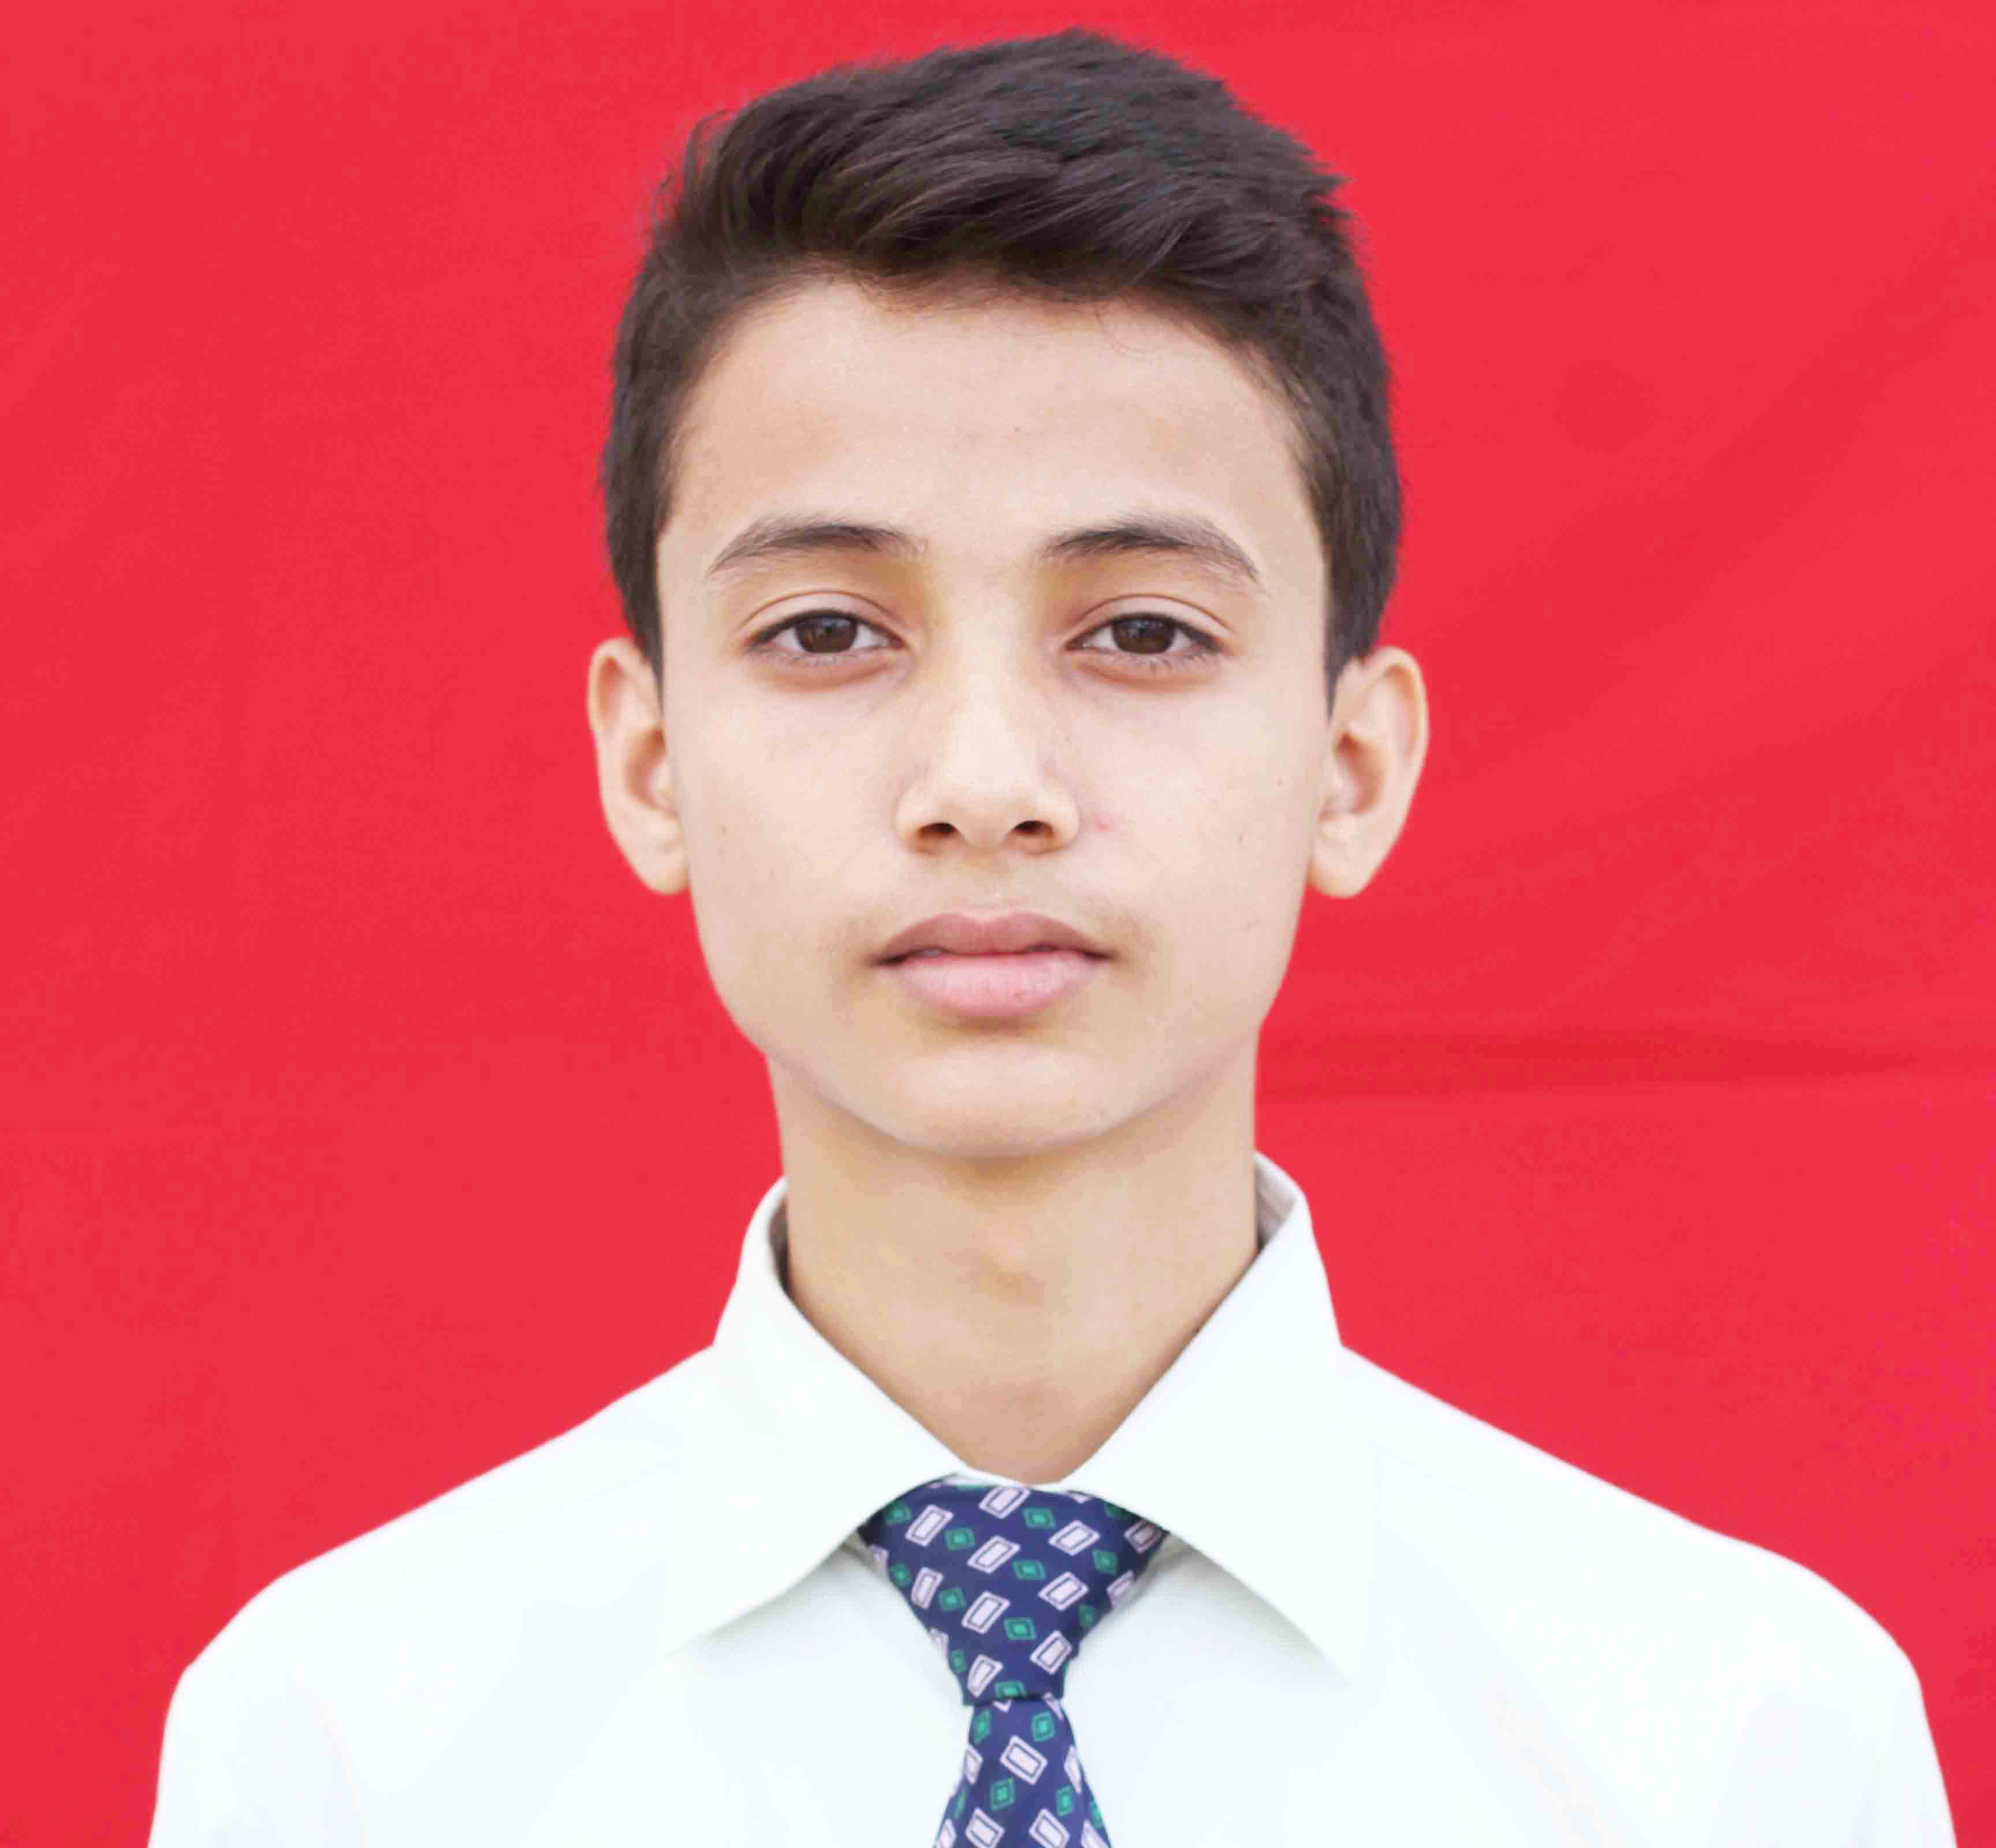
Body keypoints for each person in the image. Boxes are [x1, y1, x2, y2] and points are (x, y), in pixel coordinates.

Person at [147, 27, 1957, 1846]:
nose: (986, 785)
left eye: (1144, 633)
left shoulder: (1746, 1749)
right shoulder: (342, 1747)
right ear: (650, 761)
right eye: (829, 633)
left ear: (1350, 765)